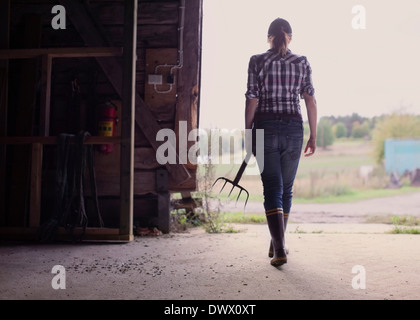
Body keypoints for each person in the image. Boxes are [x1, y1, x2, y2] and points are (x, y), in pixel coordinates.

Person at [245, 18, 318, 267]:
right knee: (285, 189)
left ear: (269, 37)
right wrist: (313, 135)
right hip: (293, 129)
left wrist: (248, 132)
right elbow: (310, 100)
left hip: (265, 128)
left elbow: (252, 99)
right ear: (290, 37)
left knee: (273, 189)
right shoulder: (302, 62)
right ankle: (279, 243)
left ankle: (278, 247)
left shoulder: (257, 60)